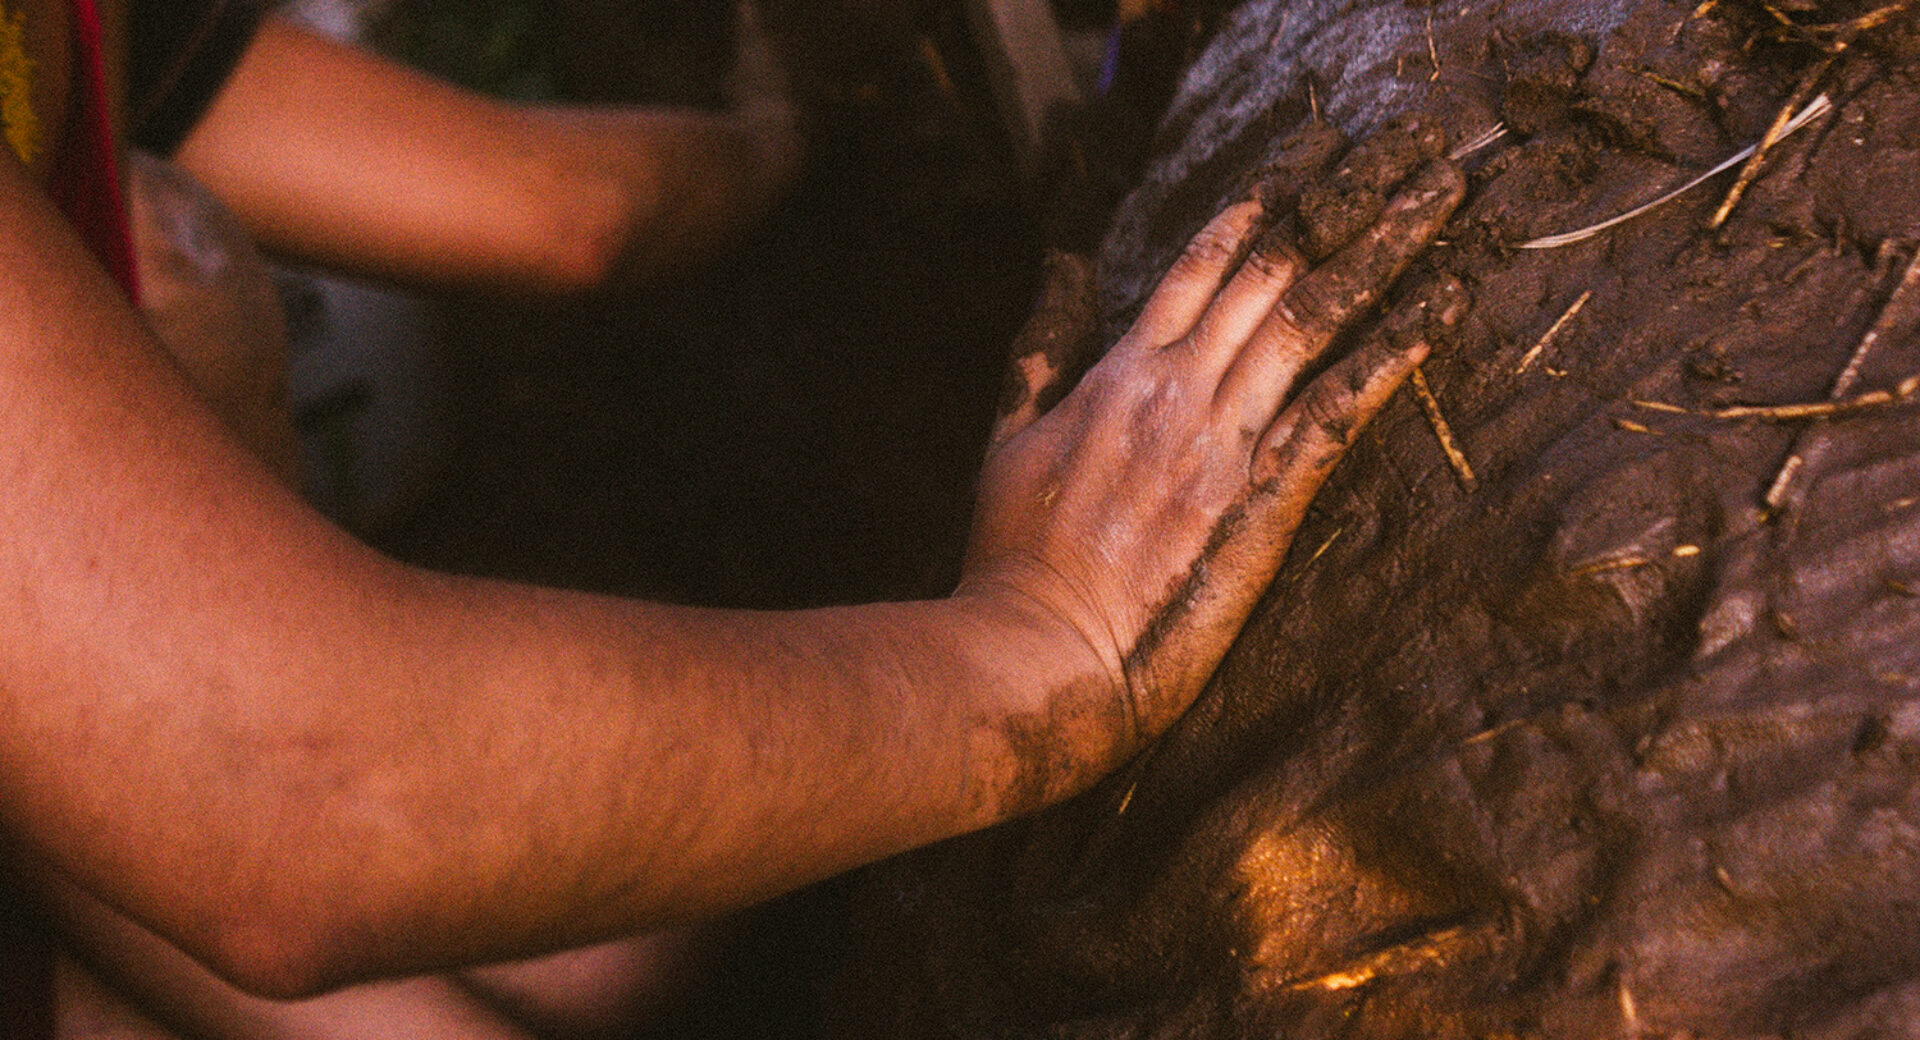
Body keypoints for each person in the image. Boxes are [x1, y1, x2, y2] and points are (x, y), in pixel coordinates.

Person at [0, 0, 1463, 1036]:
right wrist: (1035, 649)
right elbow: (302, 790)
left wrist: (787, 132)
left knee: (651, 940)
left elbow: (577, 211)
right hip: (231, 801)